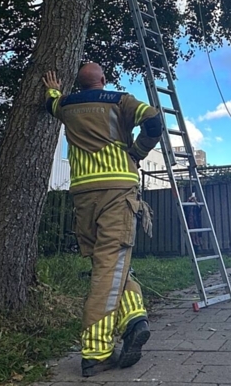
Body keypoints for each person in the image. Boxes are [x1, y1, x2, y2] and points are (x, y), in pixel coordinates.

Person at [43, 63, 163, 377]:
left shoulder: (66, 105)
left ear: (79, 84)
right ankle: (96, 352)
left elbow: (50, 103)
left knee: (108, 263)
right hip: (117, 189)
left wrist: (53, 89)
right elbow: (154, 121)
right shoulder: (120, 101)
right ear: (103, 80)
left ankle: (134, 318)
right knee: (110, 265)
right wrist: (136, 152)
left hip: (83, 194)